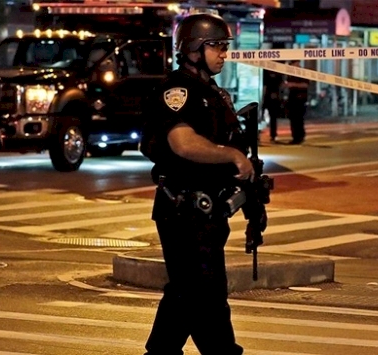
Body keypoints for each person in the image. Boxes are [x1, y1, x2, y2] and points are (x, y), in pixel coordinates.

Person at [140, 13, 257, 355]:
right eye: (216, 46)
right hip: (183, 211)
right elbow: (183, 143)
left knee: (185, 294)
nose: (224, 53)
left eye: (225, 46)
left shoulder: (213, 93)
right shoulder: (178, 91)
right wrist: (231, 156)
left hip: (206, 214)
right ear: (193, 49)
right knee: (205, 296)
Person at [283, 60, 309, 144]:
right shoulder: (291, 74)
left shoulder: (303, 73)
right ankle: (295, 136)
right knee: (293, 119)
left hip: (300, 99)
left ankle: (299, 136)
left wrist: (292, 85)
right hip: (292, 99)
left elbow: (305, 85)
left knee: (299, 119)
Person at [262, 68, 283, 142]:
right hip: (265, 97)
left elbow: (280, 85)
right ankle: (258, 133)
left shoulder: (277, 73)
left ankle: (273, 134)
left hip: (272, 97)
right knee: (260, 116)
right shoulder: (264, 71)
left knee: (273, 117)